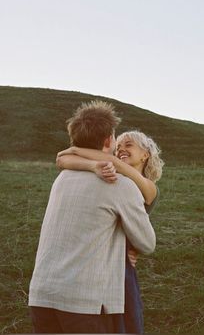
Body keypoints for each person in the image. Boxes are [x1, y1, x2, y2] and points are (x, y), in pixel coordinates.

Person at [28, 101, 156, 334]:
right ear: (108, 141)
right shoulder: (119, 184)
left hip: (42, 295)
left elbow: (63, 159)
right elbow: (148, 243)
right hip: (84, 302)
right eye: (117, 139)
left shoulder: (63, 177)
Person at [56, 130, 164, 333]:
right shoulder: (110, 175)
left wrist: (76, 150)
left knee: (126, 321)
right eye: (119, 146)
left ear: (145, 154)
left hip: (121, 264)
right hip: (100, 257)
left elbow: (67, 158)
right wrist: (85, 161)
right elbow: (62, 161)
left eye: (129, 144)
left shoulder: (148, 188)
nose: (121, 149)